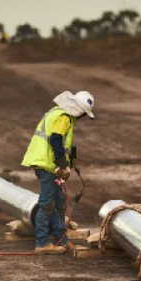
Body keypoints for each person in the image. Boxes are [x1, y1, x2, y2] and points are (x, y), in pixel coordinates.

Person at [21, 90, 95, 255]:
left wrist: (70, 159)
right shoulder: (64, 117)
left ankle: (61, 240)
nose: (82, 117)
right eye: (83, 114)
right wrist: (63, 165)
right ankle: (41, 244)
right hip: (46, 164)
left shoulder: (60, 114)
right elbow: (55, 139)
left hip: (48, 163)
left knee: (59, 201)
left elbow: (62, 142)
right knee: (47, 204)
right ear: (80, 110)